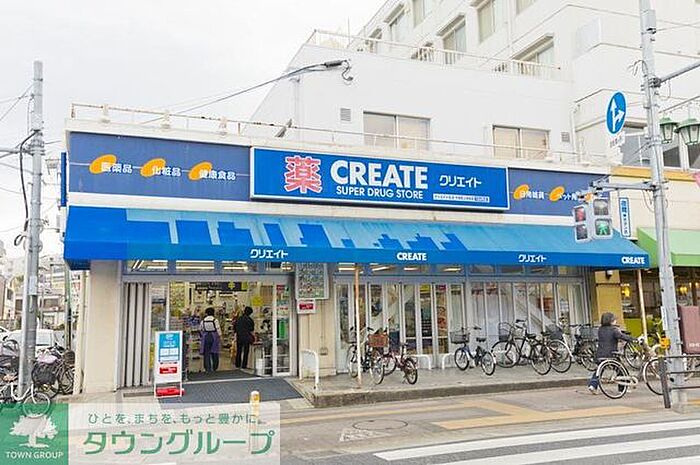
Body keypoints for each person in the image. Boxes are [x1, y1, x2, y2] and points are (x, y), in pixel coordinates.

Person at [588, 312, 634, 394]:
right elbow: (621, 336)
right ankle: (622, 389)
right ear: (611, 321)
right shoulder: (614, 330)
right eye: (614, 320)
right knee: (620, 369)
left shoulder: (600, 329)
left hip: (599, 354)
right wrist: (632, 339)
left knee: (599, 369)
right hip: (611, 354)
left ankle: (592, 385)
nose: (616, 321)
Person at [199, 307, 221, 373]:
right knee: (215, 352)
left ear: (206, 313)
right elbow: (218, 329)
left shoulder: (203, 321)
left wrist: (202, 335)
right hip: (214, 336)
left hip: (206, 336)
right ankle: (215, 367)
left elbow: (200, 329)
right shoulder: (215, 320)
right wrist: (220, 337)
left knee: (206, 353)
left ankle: (207, 368)